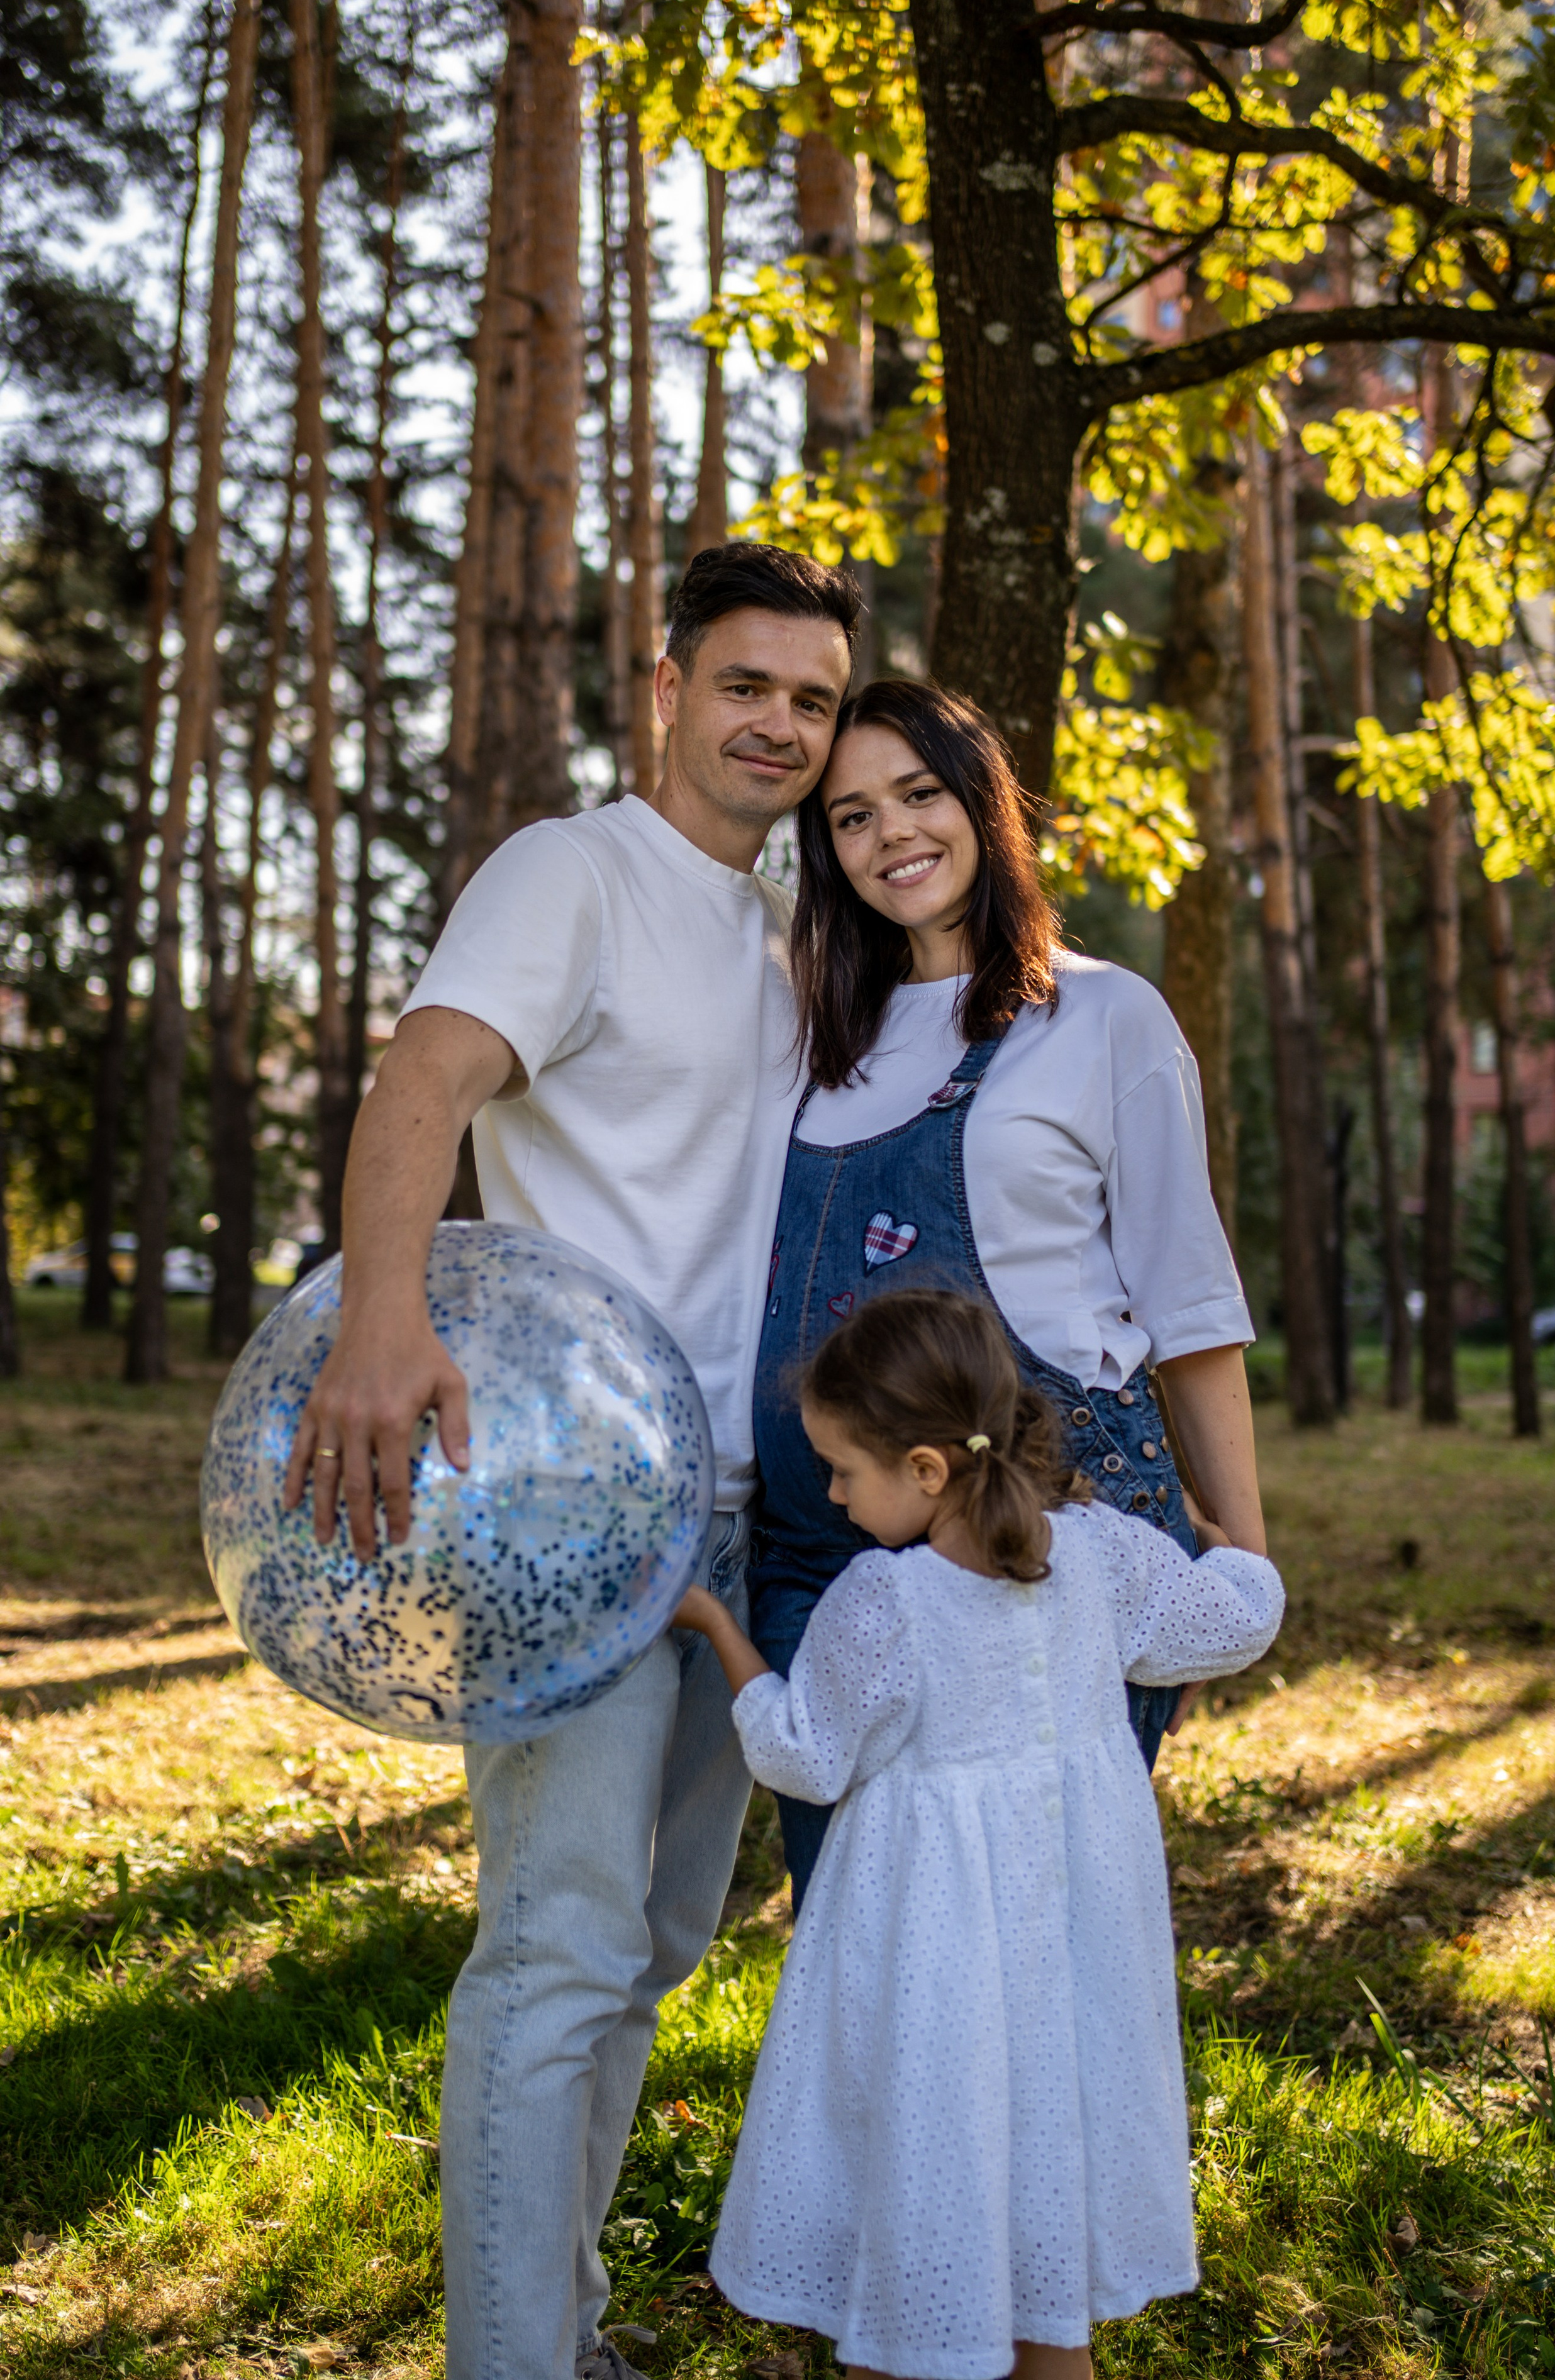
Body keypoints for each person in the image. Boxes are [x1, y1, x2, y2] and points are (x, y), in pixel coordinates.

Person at [282, 542, 864, 2380]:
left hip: (753, 1501)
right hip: (577, 1497)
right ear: (669, 686)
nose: (781, 724)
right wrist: (387, 1318)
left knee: (657, 1943)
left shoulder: (791, 923)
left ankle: (562, 2330)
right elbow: (421, 1084)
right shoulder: (572, 872)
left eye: (817, 700)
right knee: (558, 1947)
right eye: (750, 684)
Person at [675, 1289, 1285, 2380]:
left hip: (934, 1965)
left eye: (841, 1471)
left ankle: (912, 2335)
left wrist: (722, 1629)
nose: (830, 1494)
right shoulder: (1105, 1556)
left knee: (928, 2164)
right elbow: (1236, 1621)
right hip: (1074, 1961)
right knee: (1046, 2195)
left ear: (923, 1470)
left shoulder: (884, 1601)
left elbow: (803, 1755)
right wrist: (1226, 1548)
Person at [751, 676, 1264, 1901]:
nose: (891, 837)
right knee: (859, 1928)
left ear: (982, 802)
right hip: (820, 1546)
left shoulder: (1098, 1018)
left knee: (1028, 1927)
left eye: (918, 795)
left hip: (1048, 1542)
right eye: (851, 816)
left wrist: (1235, 1550)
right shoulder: (806, 1034)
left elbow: (1188, 1311)